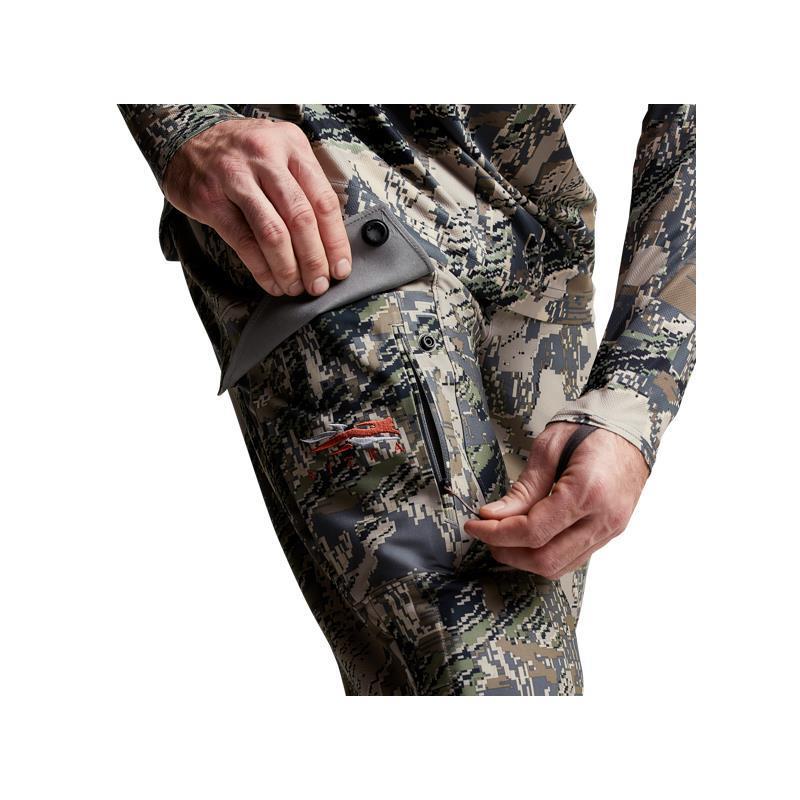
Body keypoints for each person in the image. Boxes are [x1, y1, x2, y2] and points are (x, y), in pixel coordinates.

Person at [119, 104, 696, 695]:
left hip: (535, 248)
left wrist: (632, 397)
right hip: (335, 211)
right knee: (496, 679)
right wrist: (180, 122)